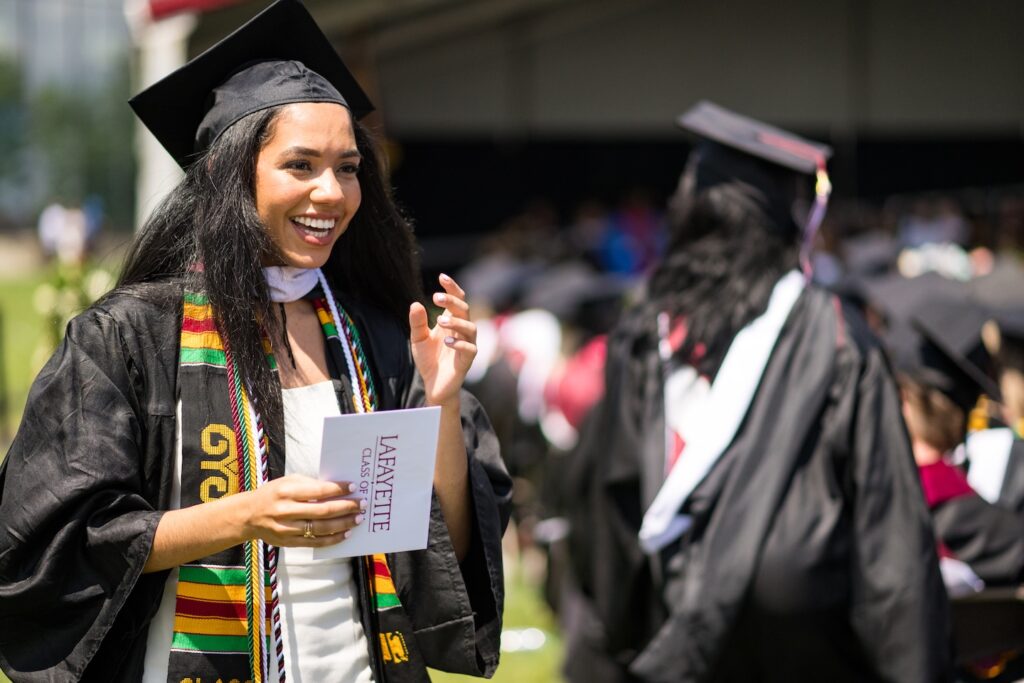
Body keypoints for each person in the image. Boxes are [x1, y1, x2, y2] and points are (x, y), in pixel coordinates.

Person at [0, 1, 511, 681]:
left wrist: (441, 404)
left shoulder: (375, 338)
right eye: (301, 165)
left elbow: (442, 537)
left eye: (349, 167)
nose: (331, 192)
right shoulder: (130, 338)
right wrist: (242, 516)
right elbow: (64, 541)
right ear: (228, 173)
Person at [563, 101, 952, 682]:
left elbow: (604, 514)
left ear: (688, 215)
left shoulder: (646, 335)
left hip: (665, 647)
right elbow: (889, 541)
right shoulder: (837, 336)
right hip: (806, 655)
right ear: (782, 220)